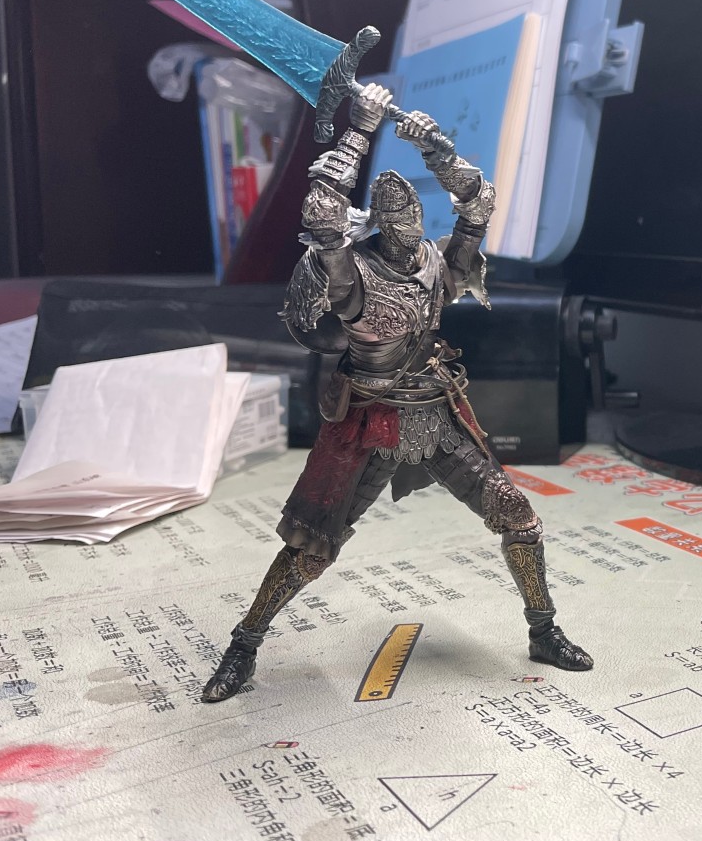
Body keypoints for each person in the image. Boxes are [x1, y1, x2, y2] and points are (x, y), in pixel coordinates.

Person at [201, 86, 592, 703]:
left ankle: (543, 631)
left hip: (437, 416)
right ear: (382, 228)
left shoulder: (436, 263)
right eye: (400, 229)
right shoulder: (353, 273)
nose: (411, 239)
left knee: (519, 517)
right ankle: (243, 646)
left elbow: (479, 202)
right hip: (371, 421)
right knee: (311, 547)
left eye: (416, 227)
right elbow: (322, 216)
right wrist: (359, 128)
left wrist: (436, 149)